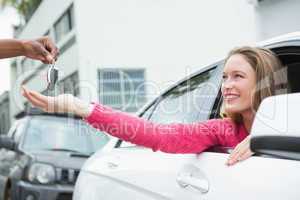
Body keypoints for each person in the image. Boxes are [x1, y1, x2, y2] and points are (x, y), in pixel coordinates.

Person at [21, 46, 284, 166]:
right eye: (224, 77)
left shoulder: (287, 125)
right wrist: (80, 107)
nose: (226, 85)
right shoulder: (222, 129)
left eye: (238, 76)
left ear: (263, 83)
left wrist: (266, 141)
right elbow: (159, 135)